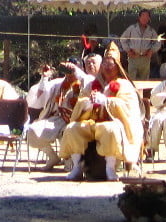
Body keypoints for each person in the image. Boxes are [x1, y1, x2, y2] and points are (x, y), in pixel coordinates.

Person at [60, 48, 143, 181]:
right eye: (105, 64)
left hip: (113, 122)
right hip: (91, 121)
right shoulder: (92, 84)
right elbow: (80, 102)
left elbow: (128, 108)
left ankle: (110, 168)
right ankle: (77, 166)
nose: (107, 68)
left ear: (117, 67)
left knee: (109, 129)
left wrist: (106, 101)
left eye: (111, 64)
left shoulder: (125, 85)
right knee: (72, 129)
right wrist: (89, 104)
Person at [26, 64, 83, 169]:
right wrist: (45, 77)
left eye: (72, 71)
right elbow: (40, 95)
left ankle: (70, 161)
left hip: (75, 119)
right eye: (67, 71)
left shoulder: (84, 82)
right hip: (55, 118)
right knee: (32, 131)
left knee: (67, 132)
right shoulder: (58, 83)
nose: (69, 74)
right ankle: (52, 156)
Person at [119, 10, 160, 81]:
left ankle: (143, 92)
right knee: (132, 80)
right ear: (139, 17)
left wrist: (151, 51)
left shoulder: (151, 30)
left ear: (149, 19)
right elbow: (123, 39)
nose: (145, 18)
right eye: (143, 16)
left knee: (144, 80)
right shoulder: (132, 28)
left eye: (147, 16)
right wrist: (128, 50)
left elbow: (158, 42)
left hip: (145, 59)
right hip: (133, 58)